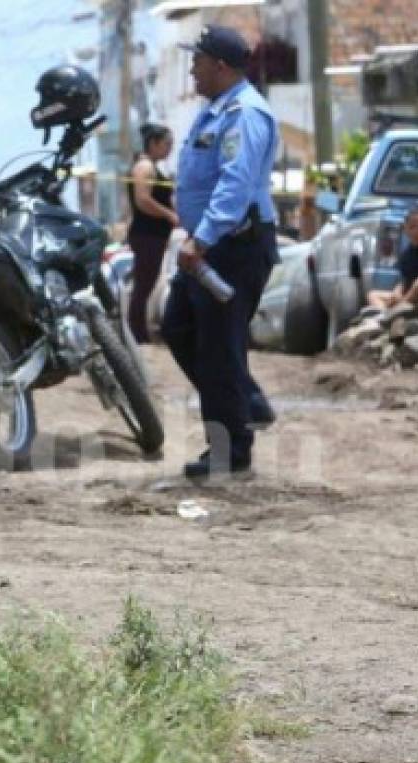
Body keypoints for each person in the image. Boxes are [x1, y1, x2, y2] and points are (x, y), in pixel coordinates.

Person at [161, 25, 280, 480]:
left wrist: (202, 239)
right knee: (178, 327)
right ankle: (244, 401)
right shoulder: (215, 111)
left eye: (198, 60)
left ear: (221, 66)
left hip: (233, 245)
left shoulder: (246, 114)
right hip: (209, 245)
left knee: (217, 348)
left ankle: (231, 448)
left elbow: (235, 187)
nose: (192, 68)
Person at [126, 123, 179, 343]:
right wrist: (168, 215)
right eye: (167, 144)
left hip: (154, 235)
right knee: (143, 284)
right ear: (154, 143)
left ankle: (137, 331)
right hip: (147, 235)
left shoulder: (153, 167)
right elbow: (143, 200)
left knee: (146, 283)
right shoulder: (145, 167)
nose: (169, 149)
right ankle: (135, 333)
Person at [367, 207, 418, 310]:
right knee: (373, 294)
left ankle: (398, 309)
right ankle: (382, 314)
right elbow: (405, 279)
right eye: (412, 227)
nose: (416, 232)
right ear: (405, 229)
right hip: (406, 295)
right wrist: (397, 292)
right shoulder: (407, 253)